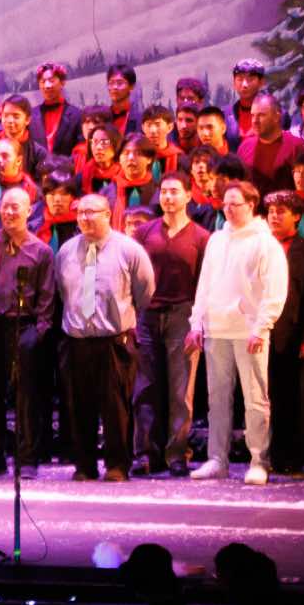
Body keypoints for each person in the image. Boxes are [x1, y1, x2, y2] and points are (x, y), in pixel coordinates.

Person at [187, 181, 288, 484]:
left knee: (255, 398)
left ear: (251, 205)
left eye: (235, 204)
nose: (228, 210)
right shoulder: (217, 240)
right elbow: (204, 284)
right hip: (217, 328)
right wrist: (196, 322)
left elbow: (274, 289)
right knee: (217, 398)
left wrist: (262, 326)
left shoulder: (265, 243)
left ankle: (259, 460)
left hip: (250, 330)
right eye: (225, 204)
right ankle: (217, 459)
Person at [55, 194, 155, 481]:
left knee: (116, 406)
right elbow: (63, 291)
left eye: (92, 212)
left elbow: (145, 291)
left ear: (108, 214)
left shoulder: (129, 250)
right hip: (76, 340)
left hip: (114, 340)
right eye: (81, 213)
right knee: (79, 406)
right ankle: (84, 465)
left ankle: (117, 465)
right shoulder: (66, 251)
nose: (85, 218)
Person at [0, 186, 54, 478]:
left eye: (15, 207)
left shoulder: (41, 251)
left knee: (26, 396)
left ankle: (27, 459)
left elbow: (47, 297)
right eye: (5, 206)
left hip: (24, 326)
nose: (8, 212)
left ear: (29, 211)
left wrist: (39, 332)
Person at [131, 171, 209, 477]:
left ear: (189, 195)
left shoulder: (201, 237)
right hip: (147, 313)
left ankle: (177, 453)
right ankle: (145, 453)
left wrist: (198, 323)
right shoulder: (144, 232)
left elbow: (204, 283)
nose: (168, 197)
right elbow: (133, 275)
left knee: (181, 389)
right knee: (145, 387)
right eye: (164, 191)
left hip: (183, 314)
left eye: (175, 191)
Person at [263, 190, 304, 475]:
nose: (274, 217)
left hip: (295, 336)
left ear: (297, 217)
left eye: (281, 212)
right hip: (263, 335)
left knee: (297, 398)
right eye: (271, 212)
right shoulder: (261, 248)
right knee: (268, 398)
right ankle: (272, 455)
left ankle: (294, 457)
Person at [235, 93, 304, 199]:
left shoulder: (297, 146)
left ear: (276, 117)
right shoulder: (245, 147)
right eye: (252, 115)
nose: (255, 121)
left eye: (261, 115)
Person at [32, 62, 84, 159]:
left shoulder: (77, 115)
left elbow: (80, 151)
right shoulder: (31, 116)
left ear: (62, 82)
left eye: (51, 80)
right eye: (43, 81)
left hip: (67, 168)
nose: (47, 85)